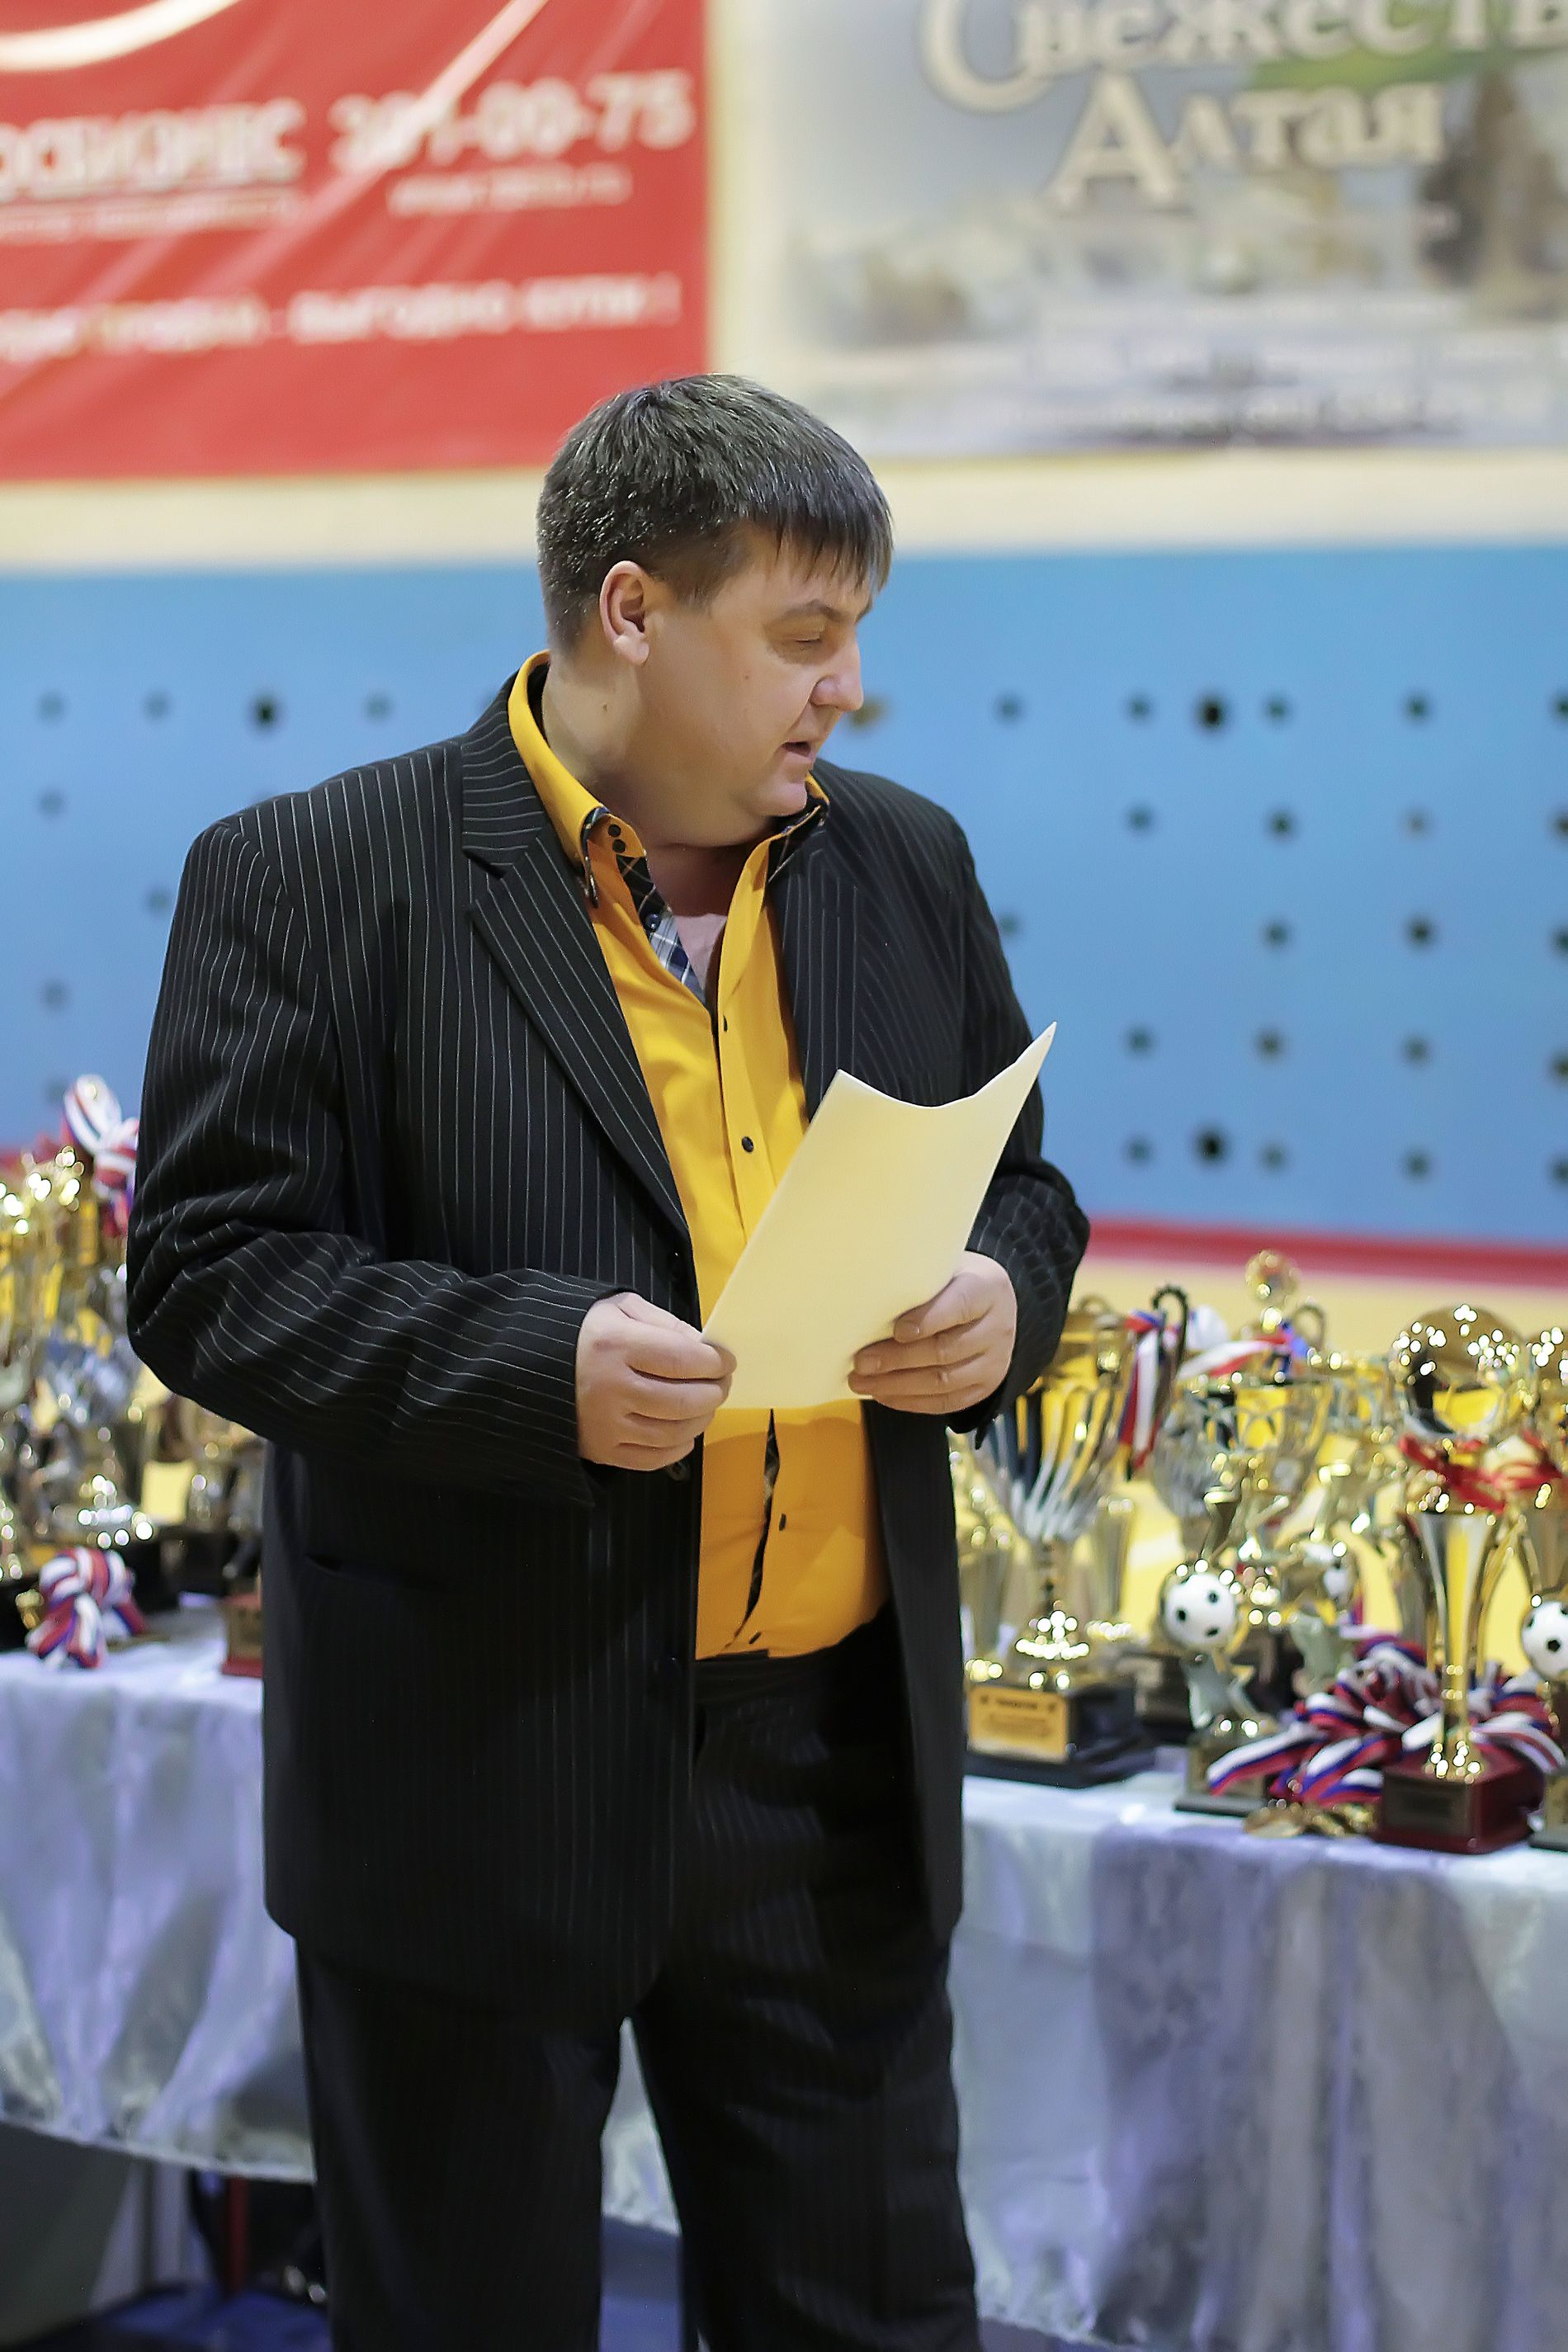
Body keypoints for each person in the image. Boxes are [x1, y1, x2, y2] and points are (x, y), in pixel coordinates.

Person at [126, 374, 1089, 2352]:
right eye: (801, 638)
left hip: (829, 1780)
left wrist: (1002, 1295)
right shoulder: (317, 873)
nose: (843, 692)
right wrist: (526, 1365)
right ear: (633, 611)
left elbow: (1023, 1188)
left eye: (855, 639)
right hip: (478, 1762)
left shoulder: (903, 861)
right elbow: (209, 1274)